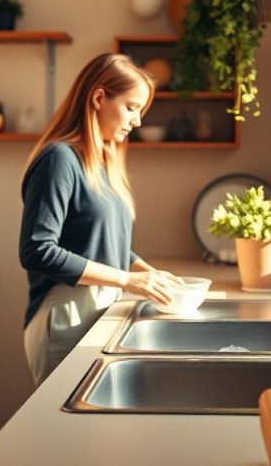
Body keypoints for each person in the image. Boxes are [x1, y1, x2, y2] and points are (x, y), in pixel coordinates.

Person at [19, 53, 182, 386]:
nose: (137, 122)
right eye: (132, 107)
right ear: (98, 97)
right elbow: (36, 250)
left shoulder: (103, 163)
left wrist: (144, 272)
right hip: (66, 315)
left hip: (100, 307)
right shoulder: (58, 159)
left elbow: (101, 240)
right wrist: (126, 280)